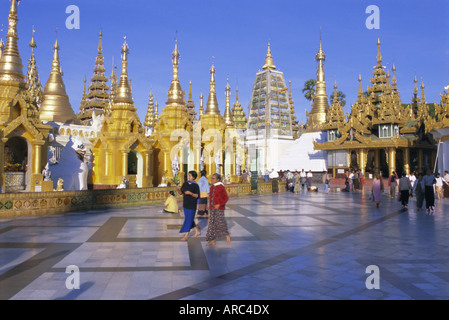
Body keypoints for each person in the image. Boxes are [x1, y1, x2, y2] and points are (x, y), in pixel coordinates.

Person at [206, 173, 230, 246]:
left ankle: (227, 235)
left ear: (218, 179)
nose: (212, 180)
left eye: (213, 178)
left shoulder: (221, 187)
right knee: (211, 224)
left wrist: (220, 204)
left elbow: (226, 198)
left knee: (220, 222)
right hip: (212, 208)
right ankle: (212, 240)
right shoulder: (212, 187)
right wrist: (209, 205)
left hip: (219, 208)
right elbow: (211, 197)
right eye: (211, 178)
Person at [177, 171, 201, 241]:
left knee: (188, 220)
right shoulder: (185, 183)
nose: (188, 176)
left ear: (193, 177)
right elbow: (181, 192)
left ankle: (186, 236)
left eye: (190, 175)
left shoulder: (195, 185)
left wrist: (190, 193)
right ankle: (197, 231)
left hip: (192, 205)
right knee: (189, 219)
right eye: (188, 175)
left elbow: (197, 195)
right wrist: (178, 190)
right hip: (185, 204)